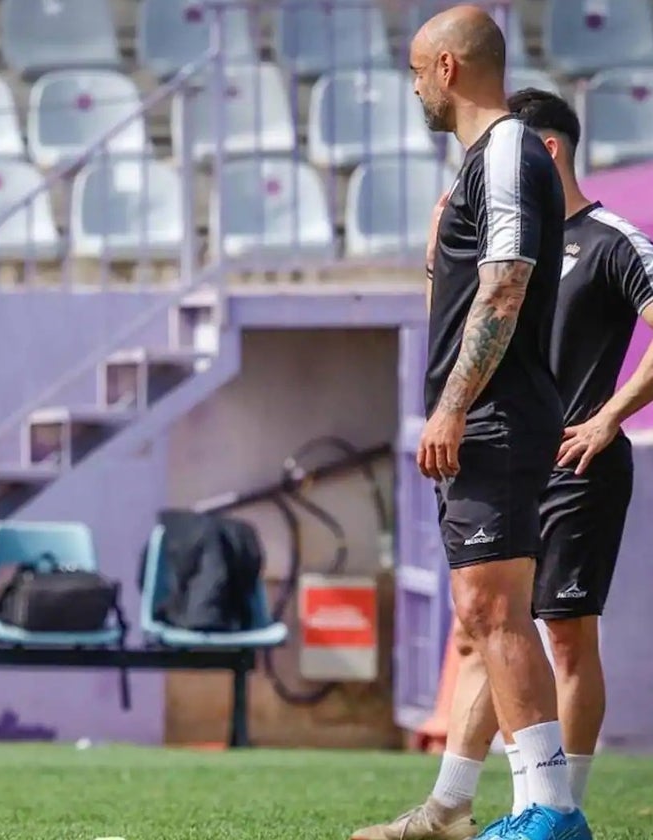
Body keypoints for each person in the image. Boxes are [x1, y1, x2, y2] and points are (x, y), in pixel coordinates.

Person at [351, 87, 653, 840]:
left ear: (544, 152)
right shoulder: (508, 241)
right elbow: (464, 325)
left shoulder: (615, 240)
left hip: (575, 462)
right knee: (481, 626)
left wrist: (610, 418)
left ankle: (558, 808)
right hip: (514, 451)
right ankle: (452, 805)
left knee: (563, 633)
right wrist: (432, 264)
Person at [394, 6, 591, 840]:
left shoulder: (508, 148)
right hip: (489, 415)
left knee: (496, 611)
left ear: (446, 68)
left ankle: (547, 813)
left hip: (497, 417)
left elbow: (505, 284)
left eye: (414, 71)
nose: (411, 89)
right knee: (485, 612)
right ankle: (532, 808)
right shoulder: (482, 165)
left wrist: (452, 404)